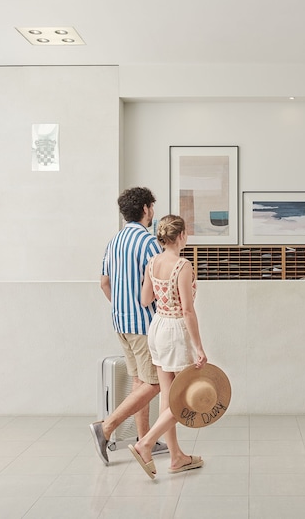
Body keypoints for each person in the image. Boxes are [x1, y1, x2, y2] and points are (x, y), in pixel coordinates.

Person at [90, 187, 167, 464]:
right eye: (151, 207)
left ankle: (144, 441)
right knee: (155, 383)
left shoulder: (113, 242)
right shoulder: (148, 243)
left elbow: (104, 282)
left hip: (120, 322)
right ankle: (106, 428)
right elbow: (159, 283)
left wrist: (121, 306)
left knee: (139, 382)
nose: (153, 211)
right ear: (145, 208)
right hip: (143, 325)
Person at [127, 215, 206, 479]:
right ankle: (146, 443)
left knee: (167, 397)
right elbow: (188, 310)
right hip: (175, 332)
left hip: (158, 327)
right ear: (181, 235)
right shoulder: (183, 265)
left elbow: (145, 299)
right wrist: (199, 347)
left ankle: (176, 457)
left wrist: (165, 298)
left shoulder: (153, 262)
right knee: (184, 398)